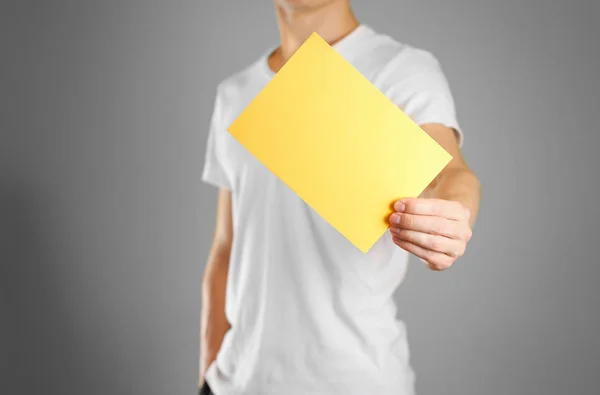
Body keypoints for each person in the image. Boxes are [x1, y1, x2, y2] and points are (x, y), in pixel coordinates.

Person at [198, 1, 481, 394]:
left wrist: (454, 212)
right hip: (236, 383)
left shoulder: (401, 69)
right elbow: (226, 248)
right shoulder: (235, 93)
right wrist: (208, 373)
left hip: (353, 382)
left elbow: (448, 173)